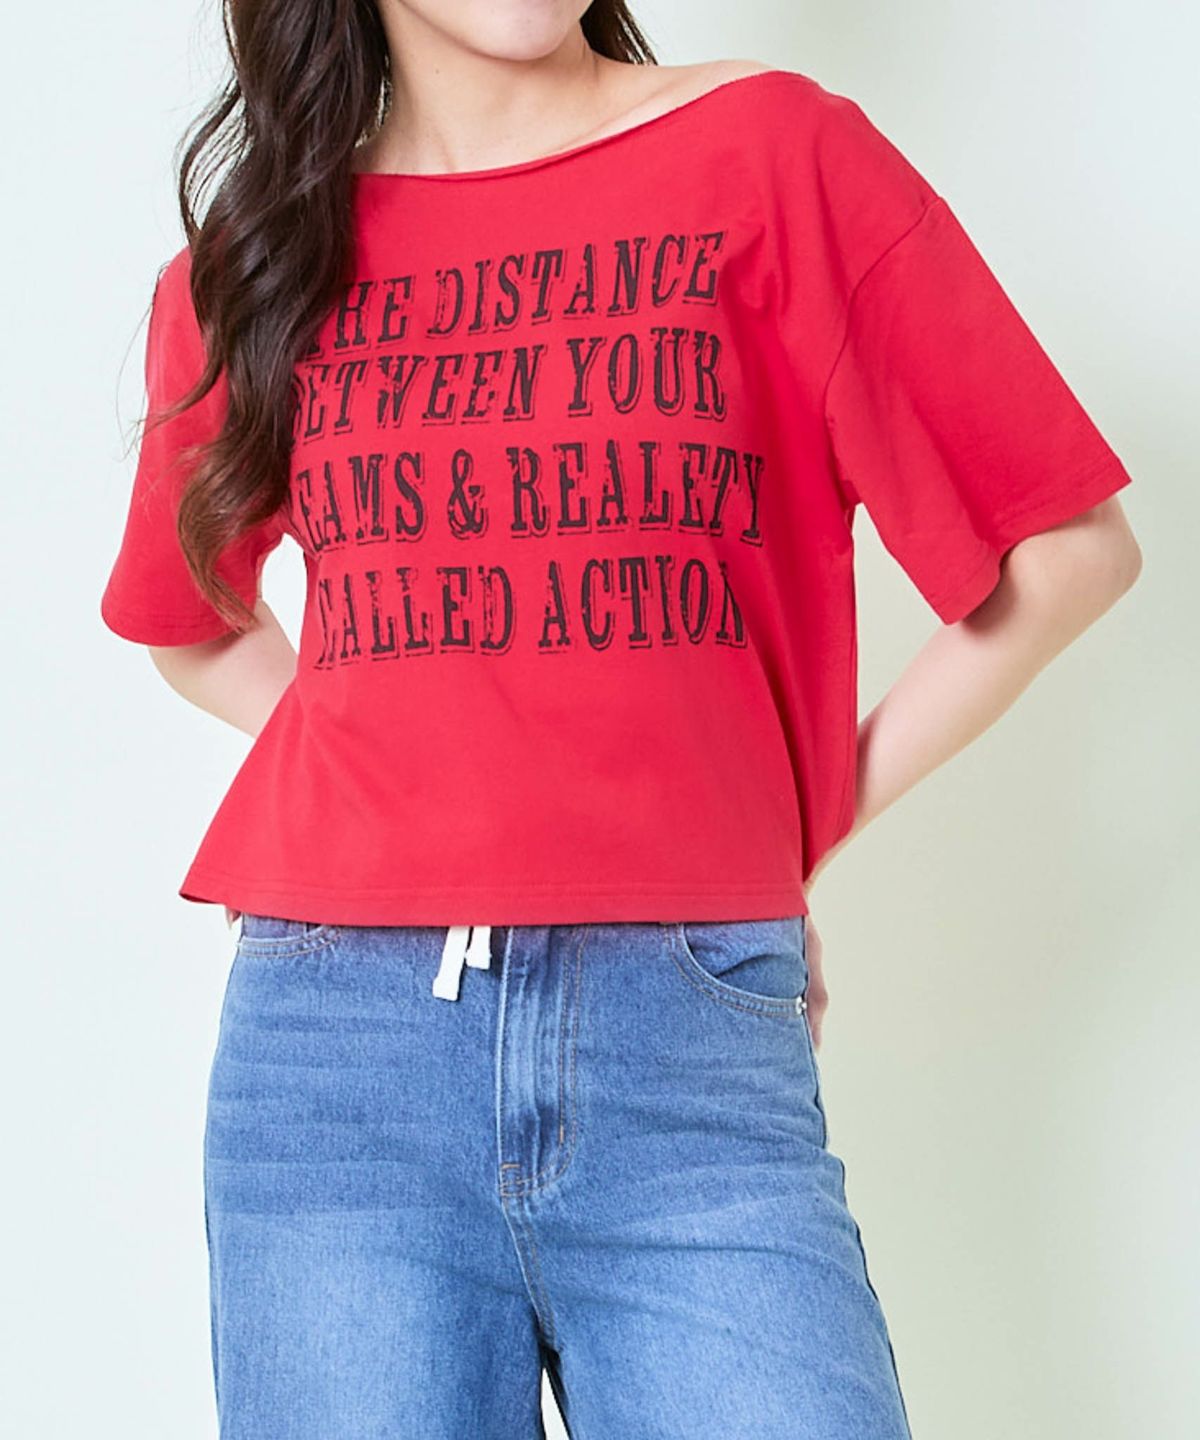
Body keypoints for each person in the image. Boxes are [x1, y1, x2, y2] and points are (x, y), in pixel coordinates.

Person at [99, 4, 1142, 1436]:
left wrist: (788, 830)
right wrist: (408, 764)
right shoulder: (268, 251)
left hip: (690, 1054)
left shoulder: (774, 156)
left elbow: (1066, 552)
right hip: (337, 1072)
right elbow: (190, 617)